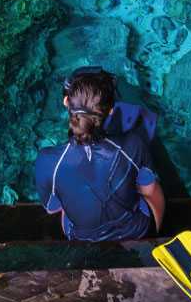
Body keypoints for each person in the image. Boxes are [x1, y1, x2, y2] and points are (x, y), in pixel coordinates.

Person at [34, 67, 166, 241]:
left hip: (83, 239)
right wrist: (154, 233)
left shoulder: (46, 160)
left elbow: (52, 208)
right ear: (111, 110)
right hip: (137, 231)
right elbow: (151, 193)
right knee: (145, 184)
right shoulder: (133, 144)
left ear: (66, 101)